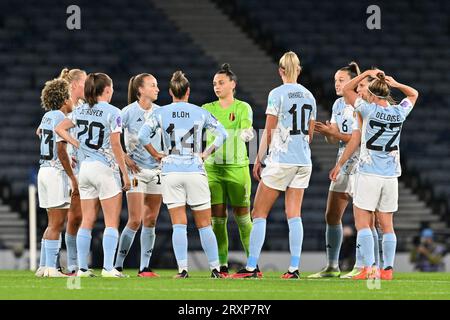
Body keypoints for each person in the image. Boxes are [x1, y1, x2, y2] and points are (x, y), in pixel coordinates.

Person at [231, 51, 316, 279]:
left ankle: (250, 268)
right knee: (294, 214)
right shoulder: (310, 96)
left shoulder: (277, 94)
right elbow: (310, 133)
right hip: (304, 160)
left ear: (280, 71)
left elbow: (269, 130)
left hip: (281, 160)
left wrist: (258, 158)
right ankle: (294, 268)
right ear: (298, 70)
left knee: (258, 213)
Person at [330, 70, 419, 280]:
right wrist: (396, 83)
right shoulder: (399, 112)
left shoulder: (366, 109)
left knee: (363, 223)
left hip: (368, 174)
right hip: (390, 177)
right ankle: (387, 269)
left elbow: (346, 89)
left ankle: (369, 268)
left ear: (371, 93)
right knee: (387, 225)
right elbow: (414, 94)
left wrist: (367, 73)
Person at [138, 70, 228, 278]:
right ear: (188, 91)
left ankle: (183, 270)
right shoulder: (200, 112)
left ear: (171, 92)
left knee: (179, 224)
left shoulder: (160, 113)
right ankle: (215, 269)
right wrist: (205, 154)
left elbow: (143, 136)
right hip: (195, 170)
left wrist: (157, 155)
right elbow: (222, 134)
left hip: (171, 171)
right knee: (205, 224)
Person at [56, 73, 131, 278]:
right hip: (105, 169)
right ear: (106, 90)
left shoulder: (79, 110)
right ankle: (108, 268)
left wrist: (76, 143)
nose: (113, 91)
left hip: (85, 170)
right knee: (111, 222)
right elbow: (116, 145)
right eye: (112, 88)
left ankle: (81, 268)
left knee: (87, 220)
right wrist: (125, 174)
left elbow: (59, 128)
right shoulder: (113, 112)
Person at [308, 62, 361, 278]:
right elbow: (335, 139)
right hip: (342, 164)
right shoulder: (338, 104)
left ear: (353, 82)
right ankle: (332, 266)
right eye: (335, 81)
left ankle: (368, 265)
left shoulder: (362, 104)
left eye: (341, 80)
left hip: (361, 165)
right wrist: (328, 132)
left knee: (364, 218)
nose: (337, 84)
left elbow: (358, 139)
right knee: (331, 215)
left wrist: (336, 135)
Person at [202, 63, 254, 276]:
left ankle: (253, 264)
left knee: (243, 218)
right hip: (212, 168)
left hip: (237, 167)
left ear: (233, 84)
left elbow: (247, 126)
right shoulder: (207, 108)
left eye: (221, 83)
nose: (217, 86)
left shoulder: (243, 107)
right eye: (214, 83)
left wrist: (247, 133)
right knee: (218, 219)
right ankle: (222, 266)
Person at [114, 73, 163, 277]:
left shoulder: (161, 112)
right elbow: (113, 140)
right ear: (140, 90)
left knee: (150, 219)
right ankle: (117, 266)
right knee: (135, 220)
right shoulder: (126, 112)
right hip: (136, 172)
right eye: (153, 85)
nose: (157, 89)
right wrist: (125, 158)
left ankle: (144, 267)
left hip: (157, 171)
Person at [36, 78, 74, 277]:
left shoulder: (46, 116)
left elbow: (40, 132)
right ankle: (52, 268)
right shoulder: (60, 116)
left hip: (43, 169)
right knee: (57, 223)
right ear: (63, 99)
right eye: (69, 97)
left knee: (52, 222)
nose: (72, 101)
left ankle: (43, 266)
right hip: (55, 172)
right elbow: (60, 148)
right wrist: (72, 177)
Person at [56, 68, 87, 275]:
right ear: (75, 85)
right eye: (85, 81)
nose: (88, 85)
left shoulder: (84, 106)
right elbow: (55, 136)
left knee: (79, 217)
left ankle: (74, 264)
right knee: (64, 218)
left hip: (84, 167)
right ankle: (62, 263)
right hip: (66, 169)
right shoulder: (63, 108)